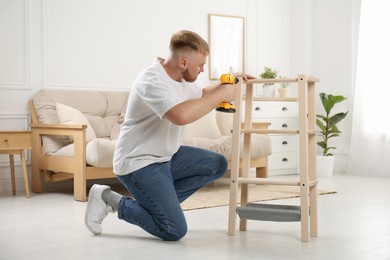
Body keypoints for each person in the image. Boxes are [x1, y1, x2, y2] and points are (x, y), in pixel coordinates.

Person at [84, 30, 253, 241]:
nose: (203, 69)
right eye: (200, 65)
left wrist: (230, 82)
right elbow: (180, 116)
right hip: (138, 163)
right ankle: (108, 198)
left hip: (166, 157)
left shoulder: (182, 79)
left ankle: (161, 208)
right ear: (183, 62)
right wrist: (222, 95)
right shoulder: (151, 80)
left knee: (216, 163)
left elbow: (201, 94)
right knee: (173, 230)